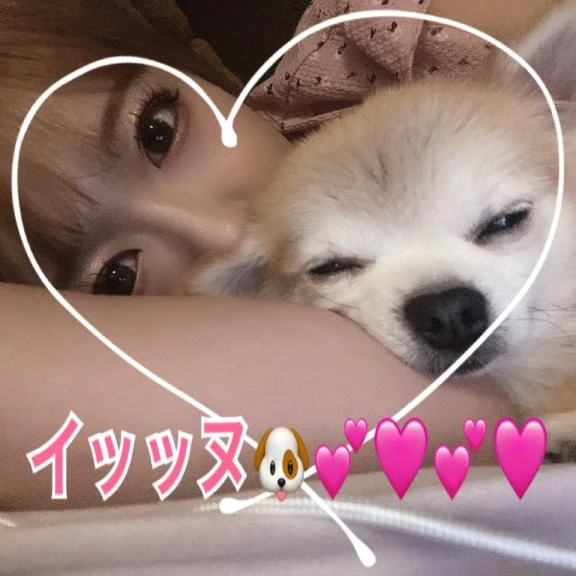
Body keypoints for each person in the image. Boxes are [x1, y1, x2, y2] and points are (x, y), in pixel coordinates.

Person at [1, 0, 539, 512]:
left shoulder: (358, 45)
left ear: (183, 54)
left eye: (157, 133)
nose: (223, 230)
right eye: (118, 276)